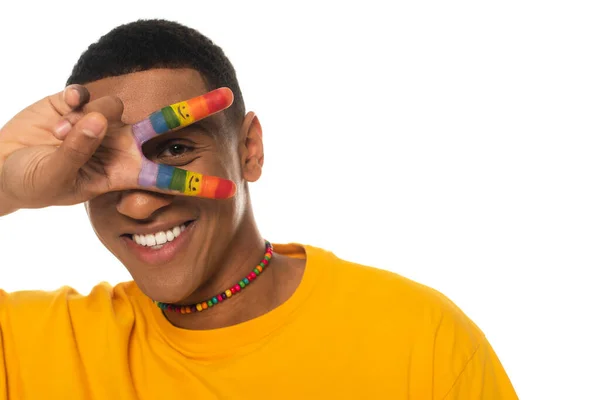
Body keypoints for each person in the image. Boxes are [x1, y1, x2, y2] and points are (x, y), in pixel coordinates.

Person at [0, 19, 518, 399]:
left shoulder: (418, 339)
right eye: (99, 162)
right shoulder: (35, 343)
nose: (136, 201)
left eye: (177, 150)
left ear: (250, 149)